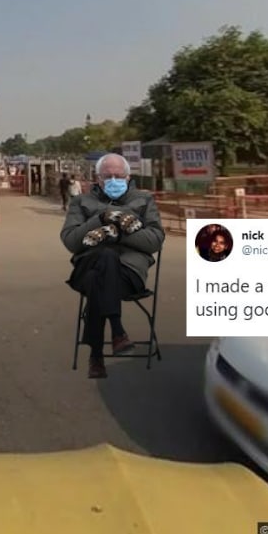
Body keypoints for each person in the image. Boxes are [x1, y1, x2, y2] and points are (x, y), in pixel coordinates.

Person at [61, 153, 164, 379]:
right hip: (87, 267)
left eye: (119, 175)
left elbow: (154, 240)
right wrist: (100, 219)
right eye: (108, 176)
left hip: (128, 274)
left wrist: (116, 235)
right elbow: (70, 241)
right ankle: (117, 331)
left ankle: (96, 356)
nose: (114, 180)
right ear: (98, 178)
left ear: (128, 177)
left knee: (102, 268)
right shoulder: (81, 202)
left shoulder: (144, 201)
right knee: (104, 261)